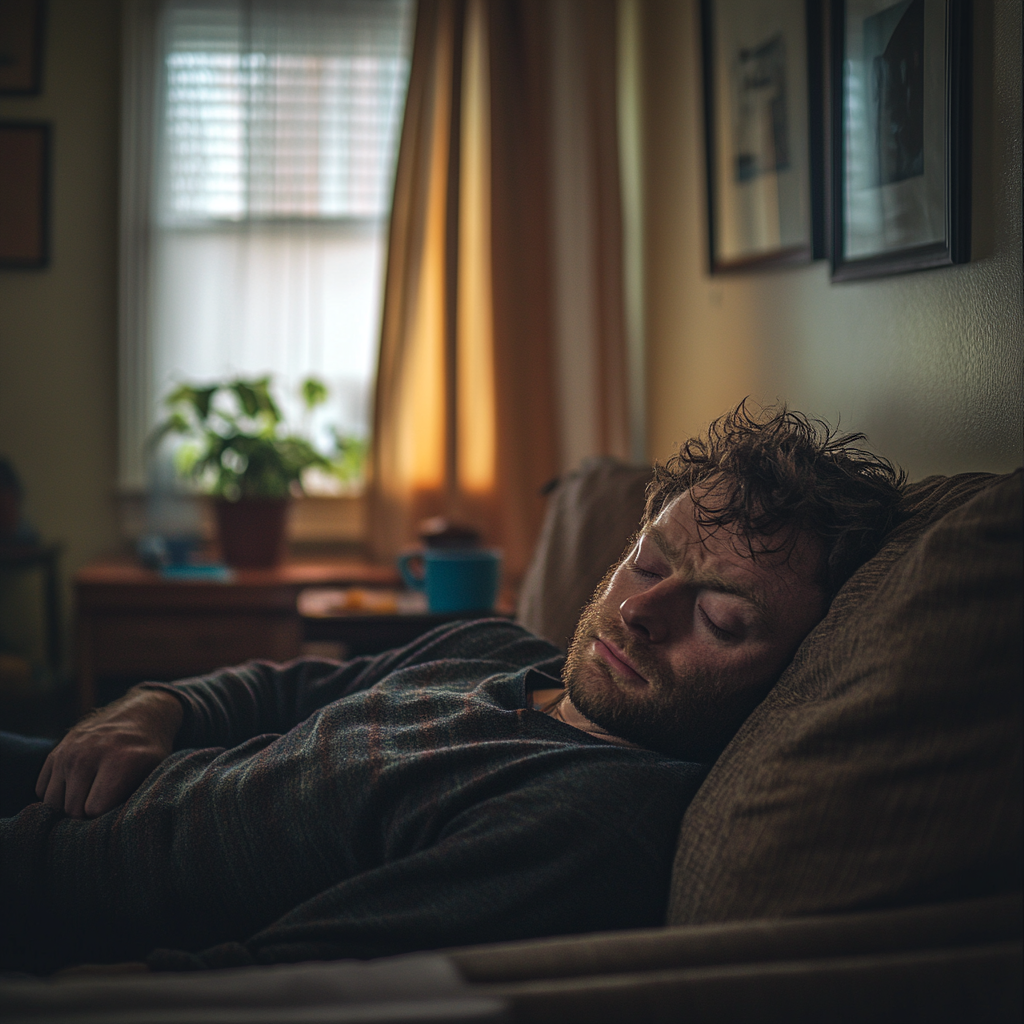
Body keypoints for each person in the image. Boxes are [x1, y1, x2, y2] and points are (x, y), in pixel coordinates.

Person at [0, 405, 904, 974]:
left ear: (793, 668)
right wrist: (154, 705)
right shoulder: (496, 647)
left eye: (722, 620)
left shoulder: (590, 822)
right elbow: (288, 688)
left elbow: (273, 986)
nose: (641, 613)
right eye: (649, 563)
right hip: (72, 785)